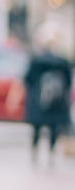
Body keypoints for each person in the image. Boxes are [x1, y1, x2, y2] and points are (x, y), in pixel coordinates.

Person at [23, 26, 72, 163]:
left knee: (37, 128)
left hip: (38, 100)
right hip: (57, 101)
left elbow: (28, 79)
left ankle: (35, 153)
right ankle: (51, 154)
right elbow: (68, 82)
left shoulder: (37, 60)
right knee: (53, 128)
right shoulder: (62, 62)